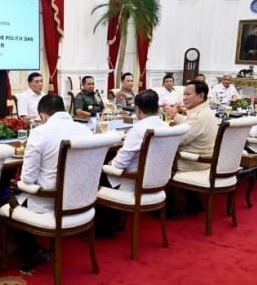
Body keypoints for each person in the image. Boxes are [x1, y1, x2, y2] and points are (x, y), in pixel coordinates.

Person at [13, 94, 92, 270]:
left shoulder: (40, 132)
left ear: (43, 116)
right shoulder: (84, 130)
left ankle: (31, 251)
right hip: (82, 198)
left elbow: (27, 179)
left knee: (4, 196)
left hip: (49, 200)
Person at [104, 89, 167, 191]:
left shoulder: (138, 130)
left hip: (132, 184)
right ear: (157, 107)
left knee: (97, 171)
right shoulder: (166, 127)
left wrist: (110, 163)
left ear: (137, 109)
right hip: (158, 182)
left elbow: (119, 165)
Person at [165, 81, 218, 172]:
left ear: (200, 96)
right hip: (203, 160)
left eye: (188, 95)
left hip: (191, 163)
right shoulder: (205, 111)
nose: (184, 98)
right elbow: (189, 122)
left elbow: (178, 140)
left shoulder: (198, 117)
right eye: (184, 94)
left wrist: (161, 132)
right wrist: (175, 115)